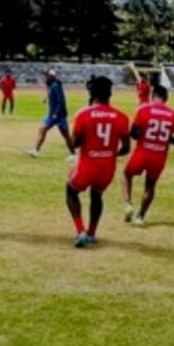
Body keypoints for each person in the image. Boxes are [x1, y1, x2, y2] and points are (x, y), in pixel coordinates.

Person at [65, 77, 130, 247]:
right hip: (107, 167)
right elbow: (126, 148)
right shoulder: (121, 116)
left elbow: (74, 143)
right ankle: (92, 233)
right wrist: (109, 153)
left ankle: (81, 232)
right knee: (97, 195)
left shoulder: (84, 114)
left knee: (71, 191)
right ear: (110, 93)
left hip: (88, 165)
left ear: (91, 93)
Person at [122, 84, 174, 226]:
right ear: (166, 98)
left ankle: (127, 204)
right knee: (150, 185)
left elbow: (133, 134)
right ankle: (140, 216)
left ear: (152, 96)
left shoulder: (143, 110)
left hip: (143, 151)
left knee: (126, 174)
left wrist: (144, 135)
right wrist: (168, 139)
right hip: (159, 155)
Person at [27, 70, 75, 160]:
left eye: (46, 76)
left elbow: (61, 101)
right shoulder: (52, 86)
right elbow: (53, 97)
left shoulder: (55, 86)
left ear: (51, 77)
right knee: (42, 129)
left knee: (66, 135)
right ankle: (36, 150)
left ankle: (73, 154)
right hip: (52, 115)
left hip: (58, 115)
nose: (45, 78)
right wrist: (47, 100)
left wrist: (56, 114)